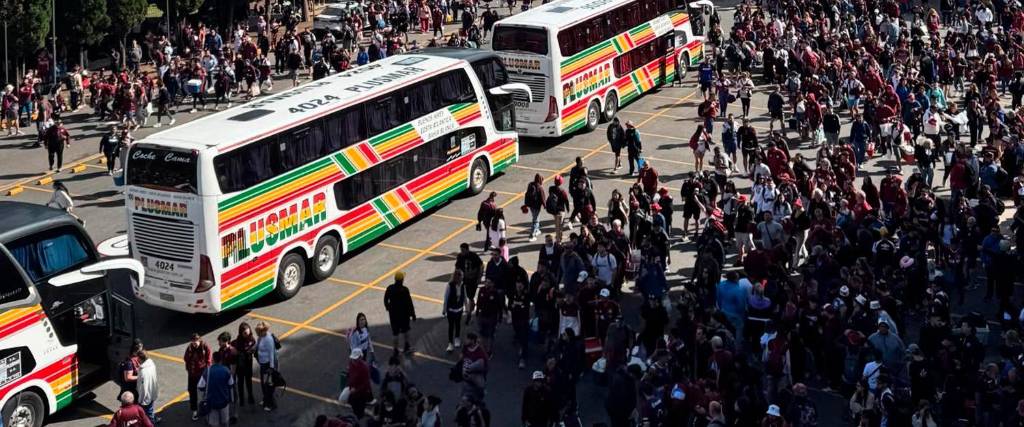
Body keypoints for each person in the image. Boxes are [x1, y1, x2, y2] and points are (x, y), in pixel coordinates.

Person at [198, 351, 234, 426]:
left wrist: (200, 400)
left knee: (214, 424)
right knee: (225, 422)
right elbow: (231, 385)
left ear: (212, 360)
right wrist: (232, 399)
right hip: (224, 402)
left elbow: (200, 387)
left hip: (211, 403)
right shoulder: (226, 370)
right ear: (221, 360)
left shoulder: (207, 371)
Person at [384, 271, 416, 354]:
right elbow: (409, 303)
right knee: (406, 331)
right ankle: (406, 347)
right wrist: (413, 314)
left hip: (393, 315)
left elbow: (385, 299)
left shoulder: (390, 288)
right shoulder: (405, 290)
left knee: (395, 333)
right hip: (404, 315)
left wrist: (388, 307)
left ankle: (395, 350)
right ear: (402, 280)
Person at [184, 333, 212, 421]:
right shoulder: (189, 348)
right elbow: (185, 358)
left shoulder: (205, 347)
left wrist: (207, 371)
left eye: (195, 342)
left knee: (204, 392)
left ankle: (205, 410)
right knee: (192, 392)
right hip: (192, 374)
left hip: (201, 375)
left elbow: (209, 360)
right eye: (193, 342)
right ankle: (194, 411)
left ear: (199, 340)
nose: (194, 344)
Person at [255, 321, 278, 411]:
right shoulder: (261, 337)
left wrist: (271, 368)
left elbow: (271, 353)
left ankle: (271, 404)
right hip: (262, 364)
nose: (257, 334)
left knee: (268, 385)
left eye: (258, 332)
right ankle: (265, 400)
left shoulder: (268, 339)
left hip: (267, 365)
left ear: (263, 331)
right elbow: (257, 345)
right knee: (263, 384)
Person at [232, 322, 256, 408]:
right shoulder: (236, 343)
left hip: (248, 365)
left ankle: (250, 396)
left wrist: (252, 351)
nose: (247, 334)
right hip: (240, 366)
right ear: (241, 333)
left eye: (248, 332)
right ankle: (241, 399)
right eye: (245, 333)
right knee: (240, 383)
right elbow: (232, 351)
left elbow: (254, 346)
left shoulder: (251, 339)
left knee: (249, 381)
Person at [444, 270, 466, 352]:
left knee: (457, 324)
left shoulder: (463, 285)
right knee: (451, 326)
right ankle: (450, 343)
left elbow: (465, 296)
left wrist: (466, 307)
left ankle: (457, 338)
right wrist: (444, 309)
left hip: (459, 309)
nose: (462, 279)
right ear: (457, 278)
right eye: (461, 278)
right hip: (451, 309)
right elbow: (446, 297)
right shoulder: (450, 286)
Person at [136, 349, 160, 423]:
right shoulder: (151, 364)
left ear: (140, 358)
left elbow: (143, 387)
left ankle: (151, 421)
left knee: (147, 411)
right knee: (150, 408)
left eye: (137, 358)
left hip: (146, 395)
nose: (137, 360)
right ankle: (152, 418)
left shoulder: (143, 372)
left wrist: (141, 399)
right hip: (152, 390)